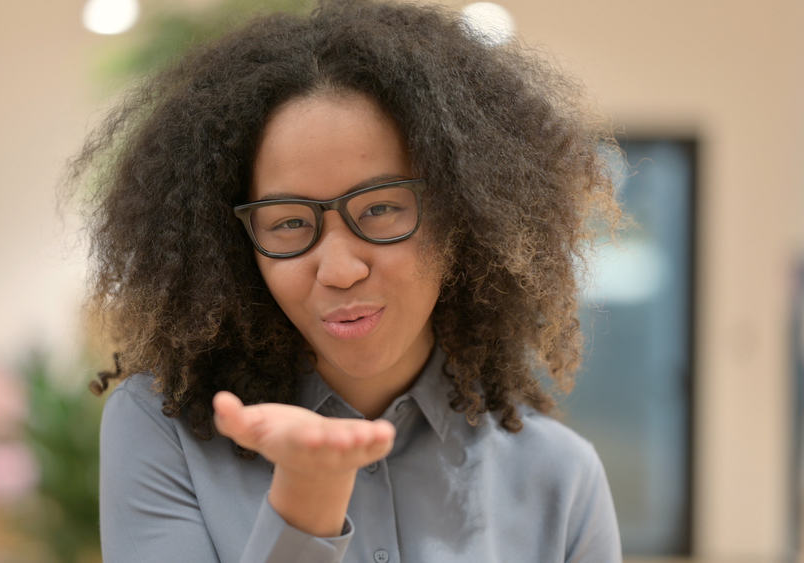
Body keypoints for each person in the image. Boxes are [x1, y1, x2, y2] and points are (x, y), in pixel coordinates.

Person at [72, 1, 623, 561]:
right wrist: (305, 500)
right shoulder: (166, 431)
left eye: (382, 209)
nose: (339, 270)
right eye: (288, 222)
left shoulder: (561, 479)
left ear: (463, 215)